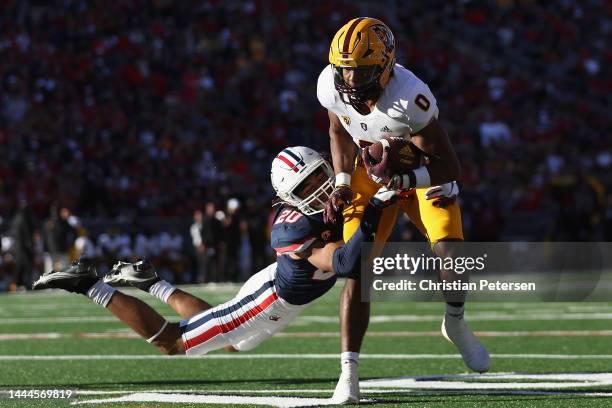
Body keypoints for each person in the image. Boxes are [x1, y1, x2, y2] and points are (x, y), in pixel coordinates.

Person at [32, 147, 398, 374]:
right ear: (290, 196)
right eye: (307, 185)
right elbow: (349, 264)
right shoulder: (292, 230)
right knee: (173, 344)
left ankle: (150, 282)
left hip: (275, 289)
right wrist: (376, 208)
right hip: (268, 302)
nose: (319, 186)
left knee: (232, 340)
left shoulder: (327, 200)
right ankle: (89, 284)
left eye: (320, 173)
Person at [317, 17, 490, 403]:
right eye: (343, 70)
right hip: (366, 171)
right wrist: (343, 182)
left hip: (418, 174)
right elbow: (338, 131)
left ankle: (455, 322)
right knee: (357, 267)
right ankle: (349, 373)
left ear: (386, 66)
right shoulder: (330, 84)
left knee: (452, 253)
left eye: (360, 71)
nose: (349, 80)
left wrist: (406, 182)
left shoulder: (411, 97)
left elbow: (449, 165)